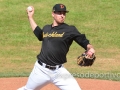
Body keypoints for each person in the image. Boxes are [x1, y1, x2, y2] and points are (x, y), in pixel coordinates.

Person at [17, 3, 95, 90]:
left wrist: (90, 48)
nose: (62, 15)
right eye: (59, 13)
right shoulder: (46, 28)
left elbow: (82, 40)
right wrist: (30, 17)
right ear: (53, 14)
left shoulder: (70, 29)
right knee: (27, 89)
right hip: (41, 70)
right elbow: (39, 34)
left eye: (64, 13)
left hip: (59, 72)